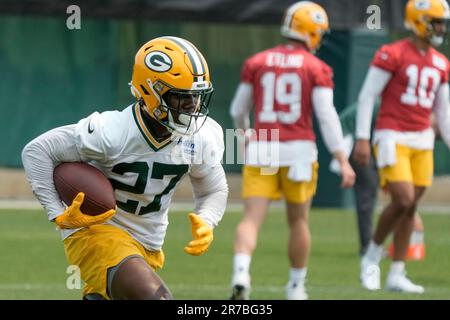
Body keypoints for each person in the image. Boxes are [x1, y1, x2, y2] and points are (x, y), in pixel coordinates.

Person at [21, 36, 228, 300]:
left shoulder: (202, 137)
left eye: (197, 98)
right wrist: (56, 213)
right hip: (96, 231)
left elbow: (214, 189)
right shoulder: (113, 132)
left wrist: (207, 220)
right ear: (151, 92)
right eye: (182, 98)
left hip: (148, 243)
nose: (193, 107)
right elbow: (37, 151)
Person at [229, 1, 355, 300]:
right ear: (311, 32)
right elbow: (326, 116)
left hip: (263, 145)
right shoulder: (317, 67)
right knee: (298, 222)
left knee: (250, 220)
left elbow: (237, 109)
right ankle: (296, 287)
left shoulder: (258, 61)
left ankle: (241, 273)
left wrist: (244, 136)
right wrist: (342, 158)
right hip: (298, 149)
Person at [354, 0, 450, 293]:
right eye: (436, 21)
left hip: (422, 139)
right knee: (404, 199)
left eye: (442, 22)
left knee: (410, 208)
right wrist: (361, 137)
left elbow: (444, 112)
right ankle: (371, 254)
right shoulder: (391, 53)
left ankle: (397, 273)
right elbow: (368, 96)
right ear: (419, 21)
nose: (441, 27)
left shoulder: (441, 63)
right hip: (391, 135)